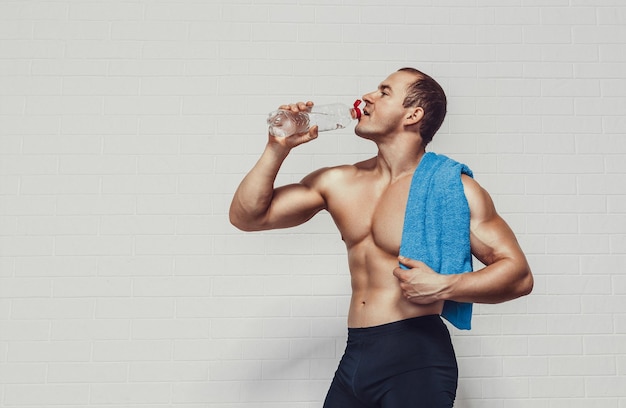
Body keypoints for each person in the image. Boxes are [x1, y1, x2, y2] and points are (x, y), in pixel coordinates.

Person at [229, 67, 533, 407]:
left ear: (413, 114)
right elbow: (248, 216)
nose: (368, 96)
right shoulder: (338, 182)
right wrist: (277, 148)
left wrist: (445, 286)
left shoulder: (452, 188)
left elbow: (518, 275)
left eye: (384, 92)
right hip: (356, 356)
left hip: (415, 359)